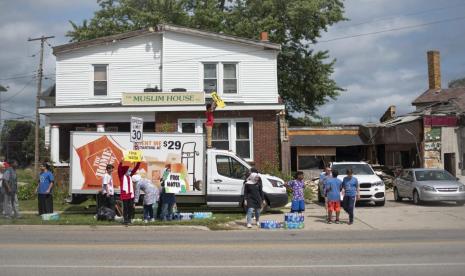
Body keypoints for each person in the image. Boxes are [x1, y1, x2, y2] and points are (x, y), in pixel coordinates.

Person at [118, 160, 141, 225]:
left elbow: (135, 169)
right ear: (125, 171)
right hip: (125, 196)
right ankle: (125, 220)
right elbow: (119, 170)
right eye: (128, 170)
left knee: (130, 208)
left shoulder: (130, 176)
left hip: (130, 195)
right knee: (125, 208)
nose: (129, 172)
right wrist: (121, 162)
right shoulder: (121, 177)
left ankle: (129, 219)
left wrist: (139, 162)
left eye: (129, 171)